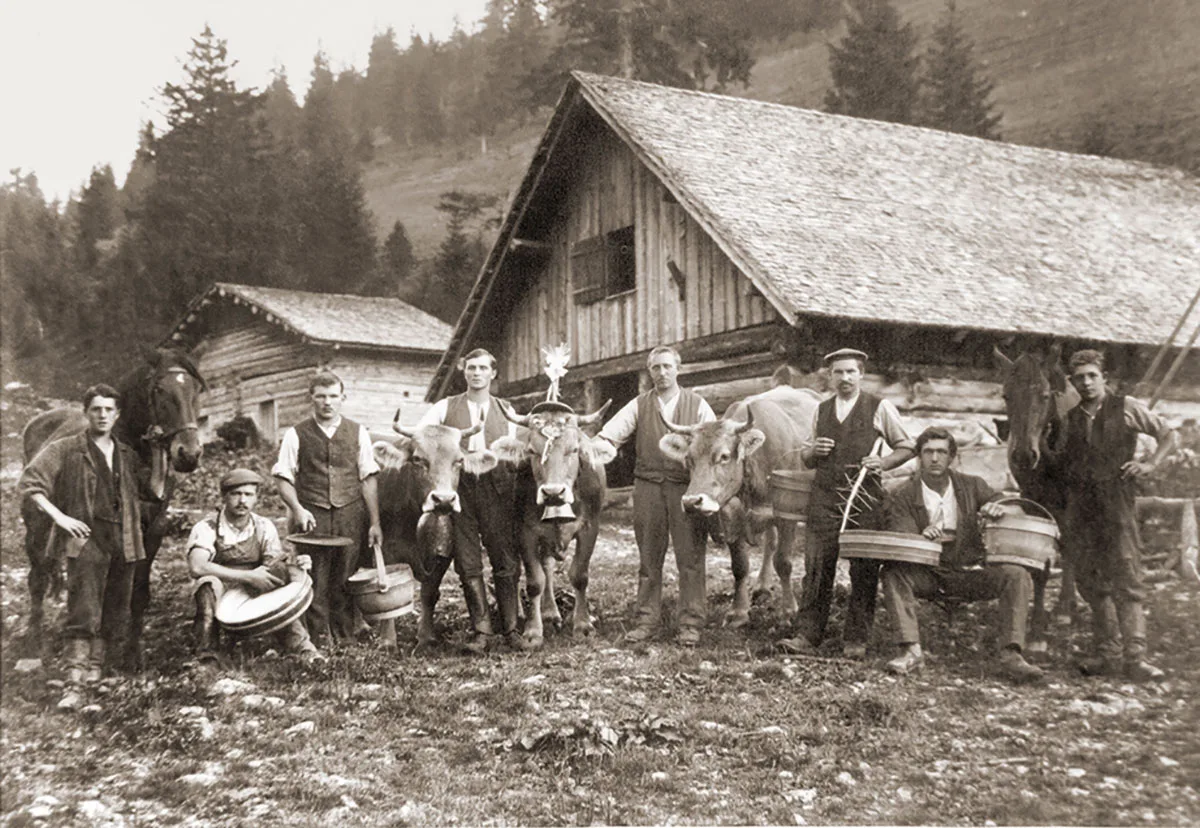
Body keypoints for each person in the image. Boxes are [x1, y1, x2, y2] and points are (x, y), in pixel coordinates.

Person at [19, 385, 149, 711]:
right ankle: (74, 683)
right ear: (86, 413)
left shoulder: (129, 455)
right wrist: (60, 517)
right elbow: (31, 482)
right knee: (84, 607)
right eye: (96, 409)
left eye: (108, 410)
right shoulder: (65, 449)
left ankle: (96, 672)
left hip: (125, 539)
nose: (102, 415)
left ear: (117, 415)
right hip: (87, 537)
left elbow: (151, 493)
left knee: (114, 606)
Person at [778, 348, 916, 658]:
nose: (845, 378)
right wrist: (815, 450)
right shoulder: (821, 410)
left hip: (864, 498)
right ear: (829, 376)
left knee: (863, 568)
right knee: (816, 566)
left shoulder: (879, 408)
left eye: (851, 372)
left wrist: (884, 462)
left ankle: (856, 639)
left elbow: (907, 446)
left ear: (861, 374)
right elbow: (805, 456)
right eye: (838, 372)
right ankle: (807, 636)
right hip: (824, 497)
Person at [880, 427, 1044, 682]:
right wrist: (923, 537)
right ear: (918, 457)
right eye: (928, 452)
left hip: (970, 571)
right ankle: (910, 650)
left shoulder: (972, 485)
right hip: (929, 573)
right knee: (893, 574)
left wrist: (997, 508)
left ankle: (1011, 654)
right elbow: (901, 537)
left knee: (1016, 574)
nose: (935, 458)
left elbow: (1012, 509)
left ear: (952, 457)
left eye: (941, 452)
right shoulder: (903, 494)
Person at [1063, 349, 1179, 681]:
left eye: (1092, 376)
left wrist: (1150, 464)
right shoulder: (1072, 418)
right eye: (1079, 378)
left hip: (1117, 503)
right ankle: (1108, 654)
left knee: (1126, 576)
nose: (1085, 383)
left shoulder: (1125, 406)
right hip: (1084, 507)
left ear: (1104, 378)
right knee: (1091, 580)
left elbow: (1168, 434)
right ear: (1072, 382)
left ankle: (1136, 658)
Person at [597, 345, 717, 646]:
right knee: (649, 557)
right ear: (649, 372)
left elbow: (714, 444)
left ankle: (691, 622)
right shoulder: (639, 404)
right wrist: (590, 449)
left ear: (678, 368)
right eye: (655, 368)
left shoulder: (698, 405)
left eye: (666, 366)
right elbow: (610, 435)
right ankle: (646, 619)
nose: (661, 373)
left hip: (684, 489)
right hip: (648, 487)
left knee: (690, 556)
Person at [418, 348, 525, 652]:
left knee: (505, 560)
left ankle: (511, 628)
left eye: (482, 368)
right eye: (471, 368)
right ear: (463, 373)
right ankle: (482, 631)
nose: (476, 373)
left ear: (493, 373)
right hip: (460, 490)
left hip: (499, 490)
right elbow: (424, 434)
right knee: (467, 562)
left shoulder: (507, 410)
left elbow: (519, 450)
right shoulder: (444, 407)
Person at [272, 371, 382, 647]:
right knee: (315, 577)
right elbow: (282, 477)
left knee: (346, 576)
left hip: (350, 513)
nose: (327, 403)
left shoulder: (358, 432)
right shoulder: (296, 434)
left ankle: (345, 637)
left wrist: (374, 522)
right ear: (311, 399)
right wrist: (297, 509)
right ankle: (319, 639)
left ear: (343, 398)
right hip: (312, 515)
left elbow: (368, 478)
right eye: (321, 396)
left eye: (333, 396)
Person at [187, 469, 322, 663]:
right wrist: (248, 576)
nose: (242, 501)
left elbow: (273, 562)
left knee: (280, 581)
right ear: (224, 497)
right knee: (207, 584)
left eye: (248, 495)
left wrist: (295, 564)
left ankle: (302, 648)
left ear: (256, 498)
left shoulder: (263, 526)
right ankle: (207, 653)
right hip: (223, 587)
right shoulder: (207, 527)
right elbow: (197, 567)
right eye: (236, 494)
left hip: (254, 587)